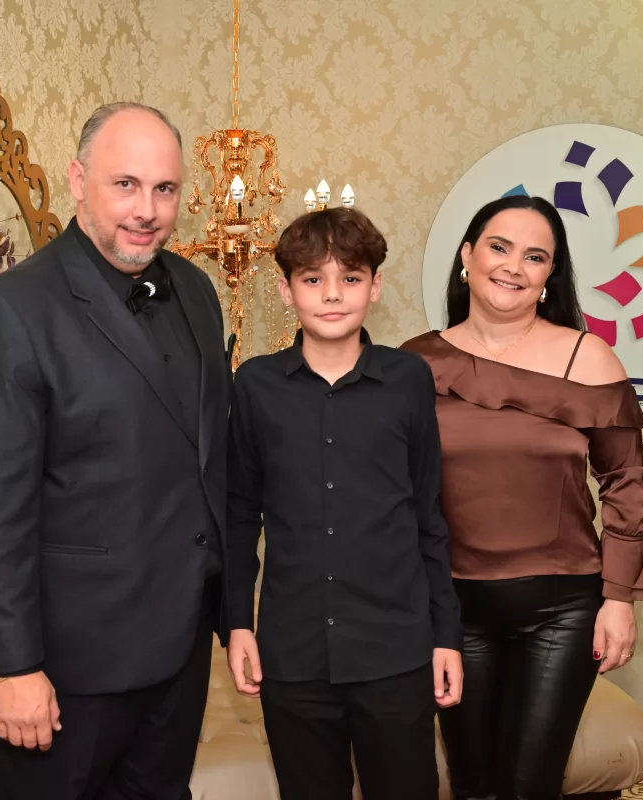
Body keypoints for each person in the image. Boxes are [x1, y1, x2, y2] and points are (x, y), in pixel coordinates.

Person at [0, 102, 231, 799]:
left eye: (165, 189)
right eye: (126, 185)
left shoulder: (196, 291)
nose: (147, 210)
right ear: (78, 180)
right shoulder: (9, 310)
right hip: (59, 664)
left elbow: (208, 463)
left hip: (176, 648)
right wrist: (12, 667)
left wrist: (229, 605)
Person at [402, 194, 643, 800]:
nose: (514, 266)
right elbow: (390, 493)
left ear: (549, 277)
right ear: (467, 257)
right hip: (451, 609)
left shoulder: (588, 357)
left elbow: (625, 483)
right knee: (472, 785)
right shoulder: (413, 364)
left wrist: (618, 598)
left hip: (562, 610)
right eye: (499, 247)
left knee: (530, 786)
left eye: (535, 256)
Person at [225, 207, 463, 800]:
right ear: (286, 290)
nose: (332, 294)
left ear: (375, 286)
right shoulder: (255, 385)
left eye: (350, 278)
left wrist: (446, 635)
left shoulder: (409, 379)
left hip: (396, 650)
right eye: (313, 279)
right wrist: (237, 623)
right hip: (294, 652)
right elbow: (239, 515)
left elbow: (428, 516)